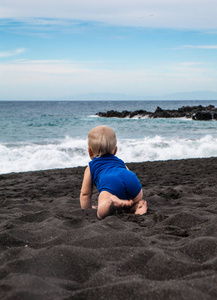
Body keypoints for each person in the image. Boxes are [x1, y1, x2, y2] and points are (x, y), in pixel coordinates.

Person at [80, 125, 147, 219]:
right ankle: (138, 205)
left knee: (101, 212)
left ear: (90, 152)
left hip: (111, 182)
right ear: (115, 150)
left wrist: (87, 209)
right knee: (133, 201)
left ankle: (111, 202)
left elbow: (85, 194)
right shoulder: (120, 162)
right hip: (131, 178)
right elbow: (126, 173)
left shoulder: (91, 167)